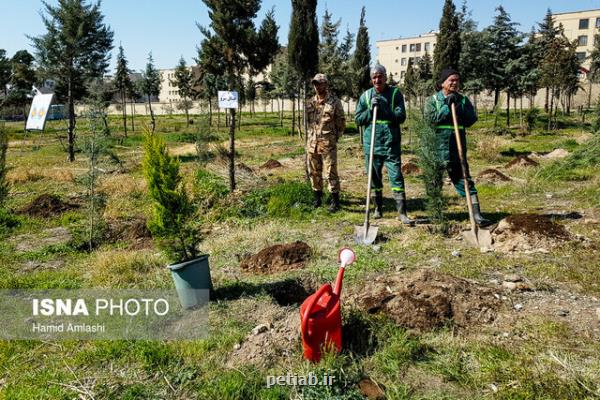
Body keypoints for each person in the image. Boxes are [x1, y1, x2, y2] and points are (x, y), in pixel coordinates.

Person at [423, 68, 489, 225]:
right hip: (436, 149)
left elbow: (471, 120)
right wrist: (447, 106)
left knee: (465, 180)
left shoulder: (463, 100)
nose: (454, 83)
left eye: (457, 80)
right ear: (442, 83)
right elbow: (430, 119)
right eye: (451, 80)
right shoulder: (432, 100)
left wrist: (458, 108)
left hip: (456, 150)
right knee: (434, 183)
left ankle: (476, 214)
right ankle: (435, 214)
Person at [355, 64, 412, 224]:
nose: (377, 79)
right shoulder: (366, 96)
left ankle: (402, 213)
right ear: (371, 79)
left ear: (386, 77)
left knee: (396, 177)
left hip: (390, 144)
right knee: (374, 178)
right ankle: (377, 208)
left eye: (380, 76)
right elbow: (358, 119)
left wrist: (384, 108)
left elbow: (401, 117)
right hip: (371, 144)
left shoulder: (395, 94)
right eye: (374, 77)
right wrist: (370, 111)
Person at [306, 73, 346, 212]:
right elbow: (309, 123)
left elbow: (341, 121)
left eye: (320, 83)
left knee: (331, 172)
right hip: (312, 143)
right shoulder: (310, 102)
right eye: (315, 83)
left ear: (326, 84)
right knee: (314, 172)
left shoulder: (334, 102)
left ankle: (335, 201)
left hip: (328, 143)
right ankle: (318, 198)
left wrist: (335, 137)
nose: (317, 86)